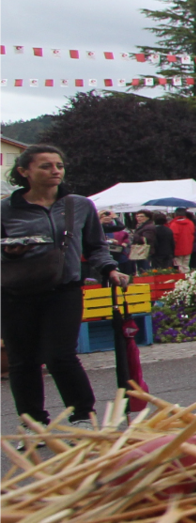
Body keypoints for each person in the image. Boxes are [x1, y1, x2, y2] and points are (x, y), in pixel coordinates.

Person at [2, 145, 129, 427]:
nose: (55, 171)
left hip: (64, 290)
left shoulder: (78, 205)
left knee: (60, 355)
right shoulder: (6, 210)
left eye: (59, 165)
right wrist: (10, 250)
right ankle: (33, 423)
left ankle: (83, 415)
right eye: (45, 166)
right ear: (24, 172)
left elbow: (96, 246)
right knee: (22, 362)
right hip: (15, 293)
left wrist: (109, 269)